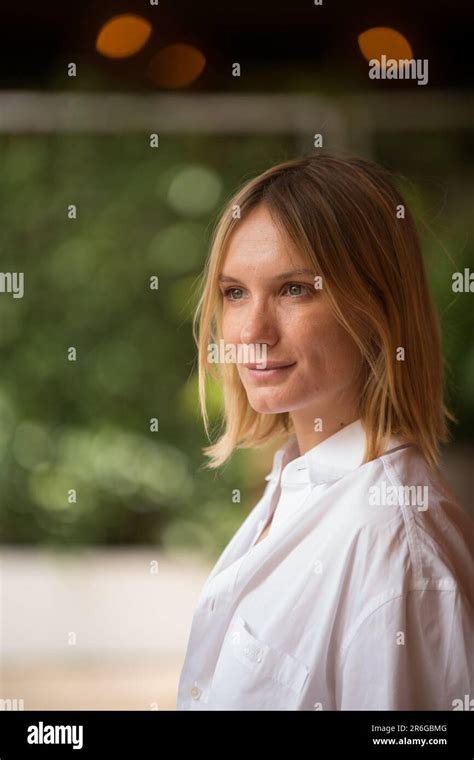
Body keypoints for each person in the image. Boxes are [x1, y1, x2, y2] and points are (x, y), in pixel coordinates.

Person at [176, 152, 474, 710]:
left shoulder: (393, 544)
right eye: (235, 292)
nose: (252, 331)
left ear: (377, 306)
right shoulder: (298, 482)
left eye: (294, 289)